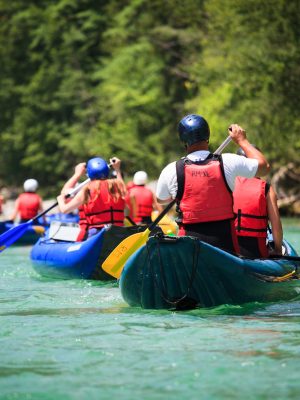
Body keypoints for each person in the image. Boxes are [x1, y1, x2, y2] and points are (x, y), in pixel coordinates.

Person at [156, 114, 270, 254]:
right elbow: (264, 167)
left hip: (189, 251)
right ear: (207, 135)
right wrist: (242, 141)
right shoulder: (228, 162)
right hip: (226, 249)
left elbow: (161, 200)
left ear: (183, 140)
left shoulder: (171, 170)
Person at [57, 157, 127, 241]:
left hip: (97, 234)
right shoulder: (117, 186)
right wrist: (117, 169)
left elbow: (65, 209)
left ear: (89, 174)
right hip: (119, 232)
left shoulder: (87, 190)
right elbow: (122, 185)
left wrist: (77, 174)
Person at [233, 147, 283, 257]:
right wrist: (278, 250)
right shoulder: (267, 189)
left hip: (228, 249)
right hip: (256, 252)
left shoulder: (226, 183)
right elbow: (276, 225)